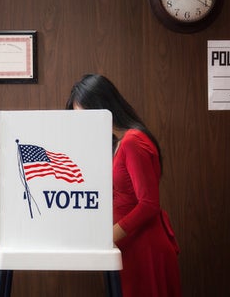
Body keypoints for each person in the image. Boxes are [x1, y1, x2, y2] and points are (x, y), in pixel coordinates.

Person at [66, 74, 182, 297]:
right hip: (129, 246)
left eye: (84, 116)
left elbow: (149, 204)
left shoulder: (132, 141)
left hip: (145, 247)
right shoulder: (118, 143)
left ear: (102, 106)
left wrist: (106, 236)